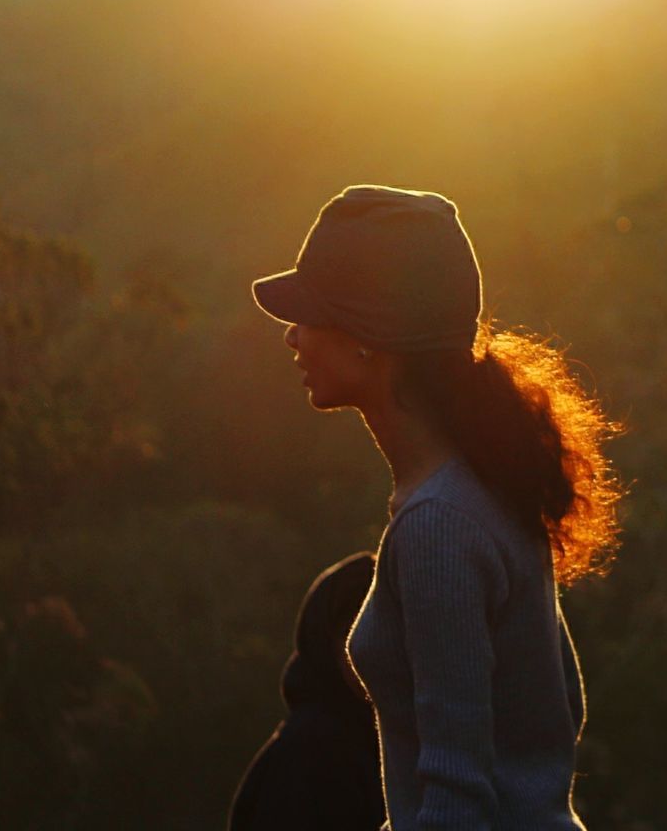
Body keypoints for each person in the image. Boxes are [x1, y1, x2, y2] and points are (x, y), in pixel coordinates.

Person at [252, 184, 620, 831]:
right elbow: (559, 697)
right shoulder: (488, 486)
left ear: (368, 339)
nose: (291, 337)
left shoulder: (438, 527)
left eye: (309, 315)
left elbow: (454, 799)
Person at [227, 551, 385, 831]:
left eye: (389, 633)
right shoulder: (311, 752)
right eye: (356, 634)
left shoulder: (392, 737)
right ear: (325, 647)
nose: (375, 650)